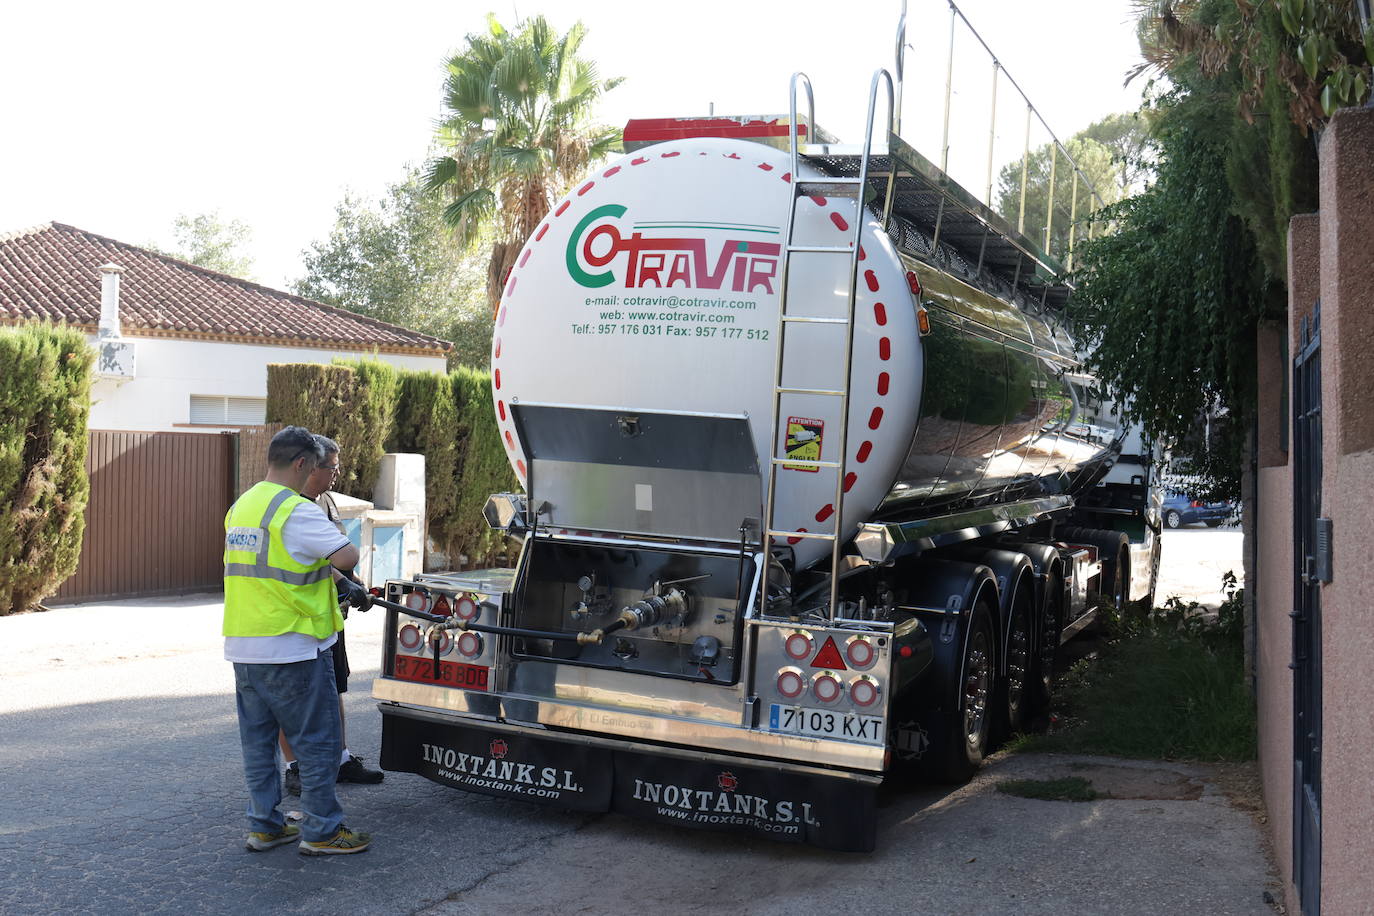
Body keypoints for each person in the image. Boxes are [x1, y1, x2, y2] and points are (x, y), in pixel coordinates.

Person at [223, 425, 372, 856]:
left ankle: (265, 826)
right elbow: (346, 556)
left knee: (258, 745)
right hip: (294, 645)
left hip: (245, 645)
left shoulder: (242, 507)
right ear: (303, 463)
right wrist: (344, 577)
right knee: (319, 742)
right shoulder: (296, 509)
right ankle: (323, 831)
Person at [279, 435, 384, 795]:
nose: (337, 473)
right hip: (296, 618)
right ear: (309, 467)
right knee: (291, 697)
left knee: (334, 687)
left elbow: (337, 550)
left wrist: (357, 585)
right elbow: (304, 559)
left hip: (328, 616)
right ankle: (295, 767)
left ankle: (340, 760)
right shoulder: (290, 505)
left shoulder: (326, 501)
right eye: (332, 467)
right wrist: (341, 580)